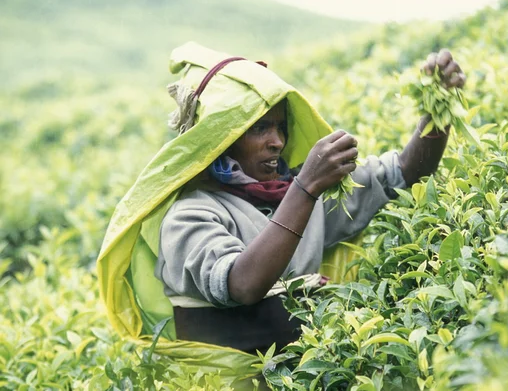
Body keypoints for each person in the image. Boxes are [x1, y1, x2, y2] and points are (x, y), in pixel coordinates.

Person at [154, 48, 466, 354]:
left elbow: (406, 171)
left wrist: (437, 105)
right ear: (221, 139)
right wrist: (306, 187)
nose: (276, 142)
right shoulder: (191, 215)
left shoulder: (294, 193)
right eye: (259, 128)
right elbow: (242, 284)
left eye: (281, 128)